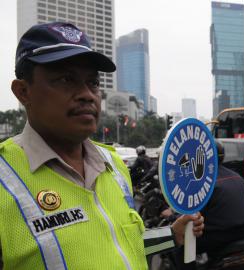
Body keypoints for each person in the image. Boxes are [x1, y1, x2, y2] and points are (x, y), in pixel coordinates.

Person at [2, 22, 203, 269]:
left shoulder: (114, 165)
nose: (87, 94)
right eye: (66, 79)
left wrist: (171, 234)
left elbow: (121, 243)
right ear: (23, 92)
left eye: (93, 83)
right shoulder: (5, 179)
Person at [174, 140, 244, 269]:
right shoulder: (237, 177)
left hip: (219, 237)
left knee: (181, 248)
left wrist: (174, 218)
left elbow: (193, 215)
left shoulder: (205, 182)